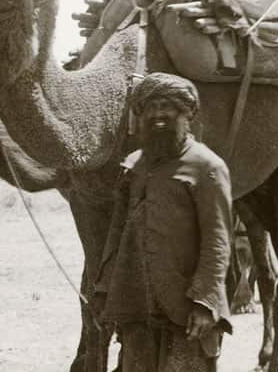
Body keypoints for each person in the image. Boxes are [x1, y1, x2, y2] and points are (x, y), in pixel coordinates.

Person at [94, 72, 233, 371]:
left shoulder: (207, 167)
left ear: (188, 113)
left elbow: (218, 241)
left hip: (187, 310)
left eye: (168, 106)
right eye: (151, 106)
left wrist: (205, 303)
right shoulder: (135, 166)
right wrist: (105, 290)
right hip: (137, 305)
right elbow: (117, 234)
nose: (159, 114)